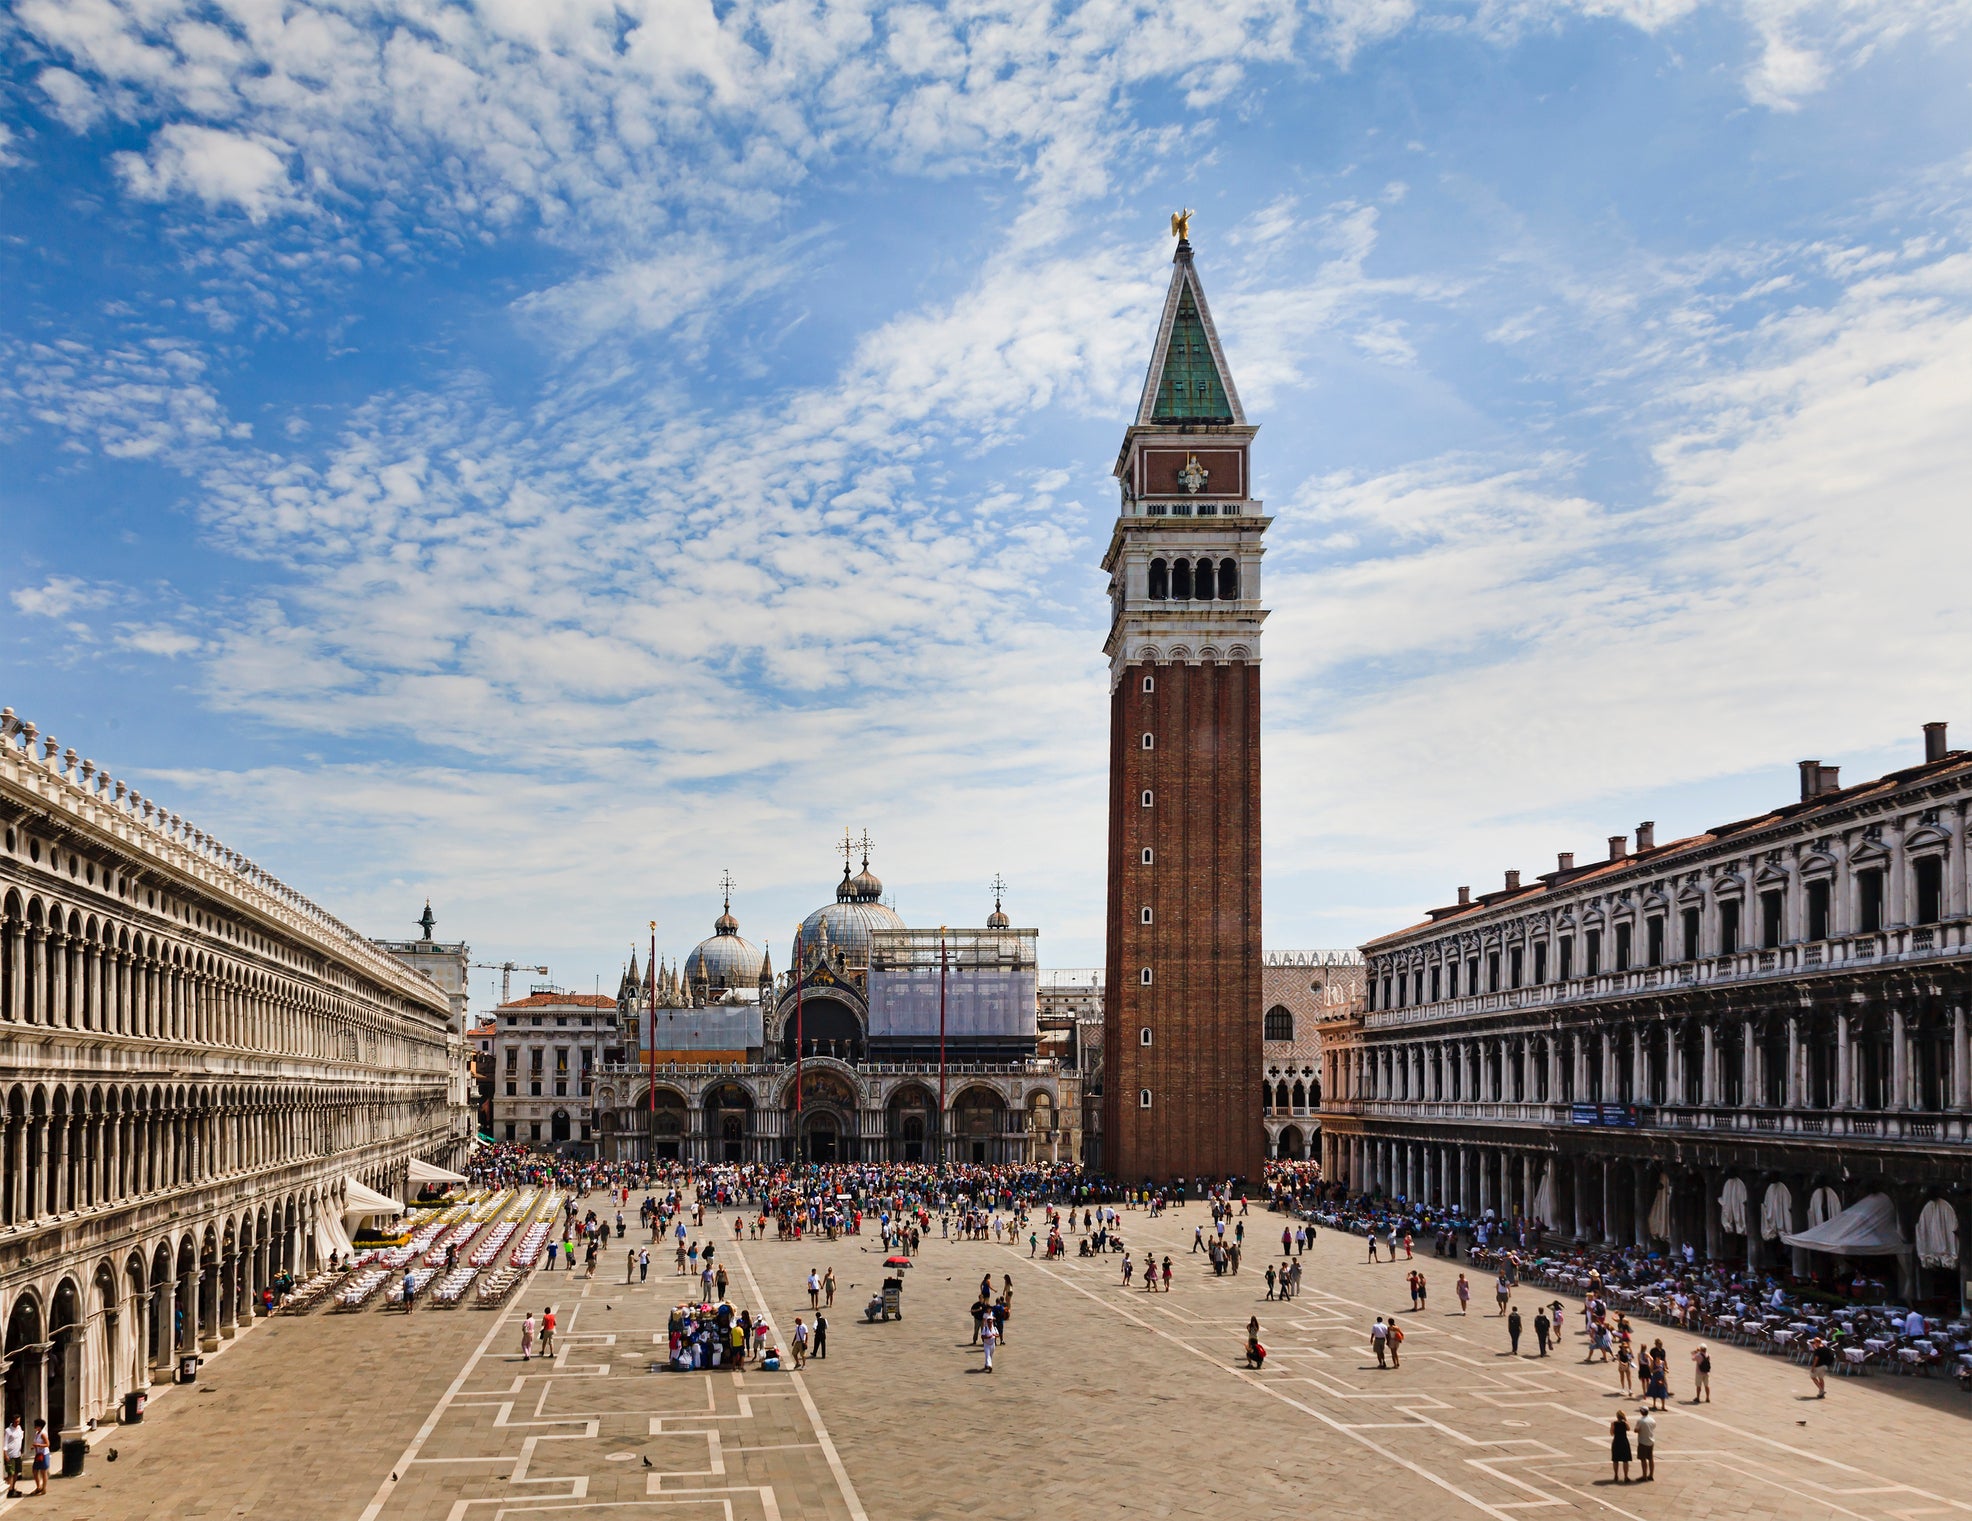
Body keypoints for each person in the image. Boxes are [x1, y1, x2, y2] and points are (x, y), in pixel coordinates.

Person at [1609, 1409, 1632, 1484]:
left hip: (1616, 1441)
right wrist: (1625, 1420)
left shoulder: (1613, 1423)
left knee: (1615, 1459)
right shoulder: (1625, 1423)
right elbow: (1629, 1429)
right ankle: (1626, 1476)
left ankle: (1616, 1475)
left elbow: (1611, 1433)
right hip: (1624, 1442)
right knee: (1625, 1460)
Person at [1634, 1407, 1656, 1481]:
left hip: (1643, 1441)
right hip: (1651, 1441)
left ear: (1641, 1412)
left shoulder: (1640, 1420)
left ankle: (1644, 1476)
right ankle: (1651, 1475)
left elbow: (1636, 1430)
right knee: (1650, 1459)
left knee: (1643, 1459)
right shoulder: (1652, 1419)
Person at [4, 1413, 23, 1498]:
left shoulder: (19, 1428)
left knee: (16, 1473)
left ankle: (12, 1488)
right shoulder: (8, 1430)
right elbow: (4, 1444)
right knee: (10, 1473)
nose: (17, 1423)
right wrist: (5, 1454)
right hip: (10, 1455)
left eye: (18, 1421)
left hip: (17, 1454)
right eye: (16, 1422)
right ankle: (9, 1489)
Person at [29, 1420, 48, 1497]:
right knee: (35, 1471)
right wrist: (34, 1446)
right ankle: (38, 1487)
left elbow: (47, 1444)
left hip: (43, 1454)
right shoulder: (37, 1434)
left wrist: (38, 1445)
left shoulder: (43, 1434)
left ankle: (44, 1489)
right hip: (38, 1454)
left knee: (43, 1472)